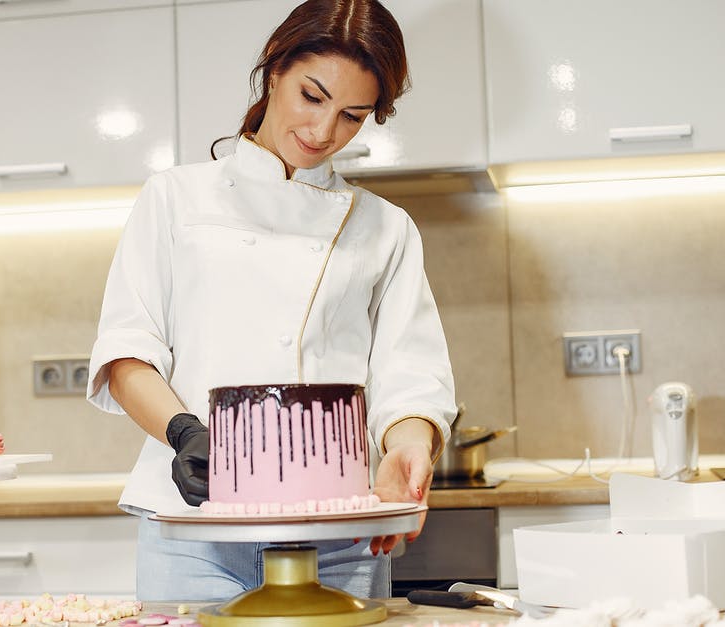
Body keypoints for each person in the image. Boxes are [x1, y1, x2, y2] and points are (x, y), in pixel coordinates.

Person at [87, 0, 456, 602]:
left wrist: (409, 447)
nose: (323, 132)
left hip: (339, 535)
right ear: (275, 69)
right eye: (312, 97)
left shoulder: (385, 228)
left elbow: (410, 376)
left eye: (352, 116)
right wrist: (186, 433)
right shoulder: (174, 199)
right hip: (195, 531)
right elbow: (128, 353)